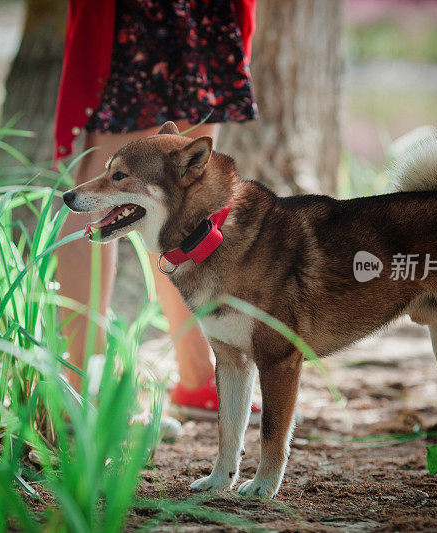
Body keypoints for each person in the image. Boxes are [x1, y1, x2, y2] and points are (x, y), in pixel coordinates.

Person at [53, 0, 261, 423]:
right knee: (101, 182)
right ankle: (83, 389)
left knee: (186, 189)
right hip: (138, 12)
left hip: (201, 14)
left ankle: (197, 374)